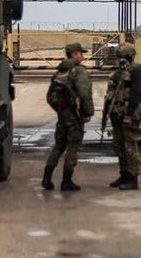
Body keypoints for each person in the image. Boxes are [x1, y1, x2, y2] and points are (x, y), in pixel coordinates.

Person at [41, 43, 94, 191]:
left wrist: (60, 110)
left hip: (62, 118)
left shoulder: (59, 73)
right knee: (72, 148)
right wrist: (87, 112)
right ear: (75, 54)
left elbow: (49, 97)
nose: (82, 56)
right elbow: (84, 94)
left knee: (58, 147)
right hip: (75, 117)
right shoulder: (79, 71)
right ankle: (66, 181)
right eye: (81, 53)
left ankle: (46, 178)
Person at [104, 42, 141, 190]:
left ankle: (132, 178)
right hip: (117, 114)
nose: (119, 60)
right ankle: (124, 175)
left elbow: (136, 94)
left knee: (130, 147)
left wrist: (129, 114)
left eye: (122, 56)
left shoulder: (137, 70)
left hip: (130, 114)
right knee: (119, 146)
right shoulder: (118, 72)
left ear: (129, 56)